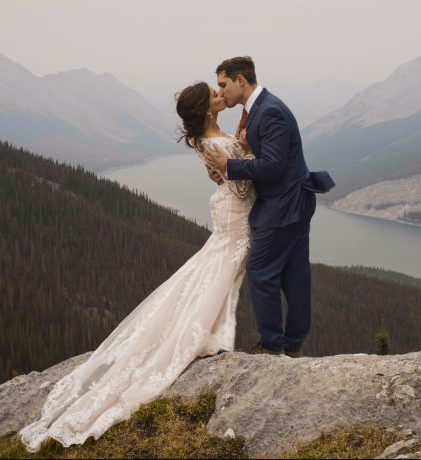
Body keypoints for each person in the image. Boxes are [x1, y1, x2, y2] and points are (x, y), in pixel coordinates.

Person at [18, 81, 256, 452]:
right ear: (207, 110)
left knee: (209, 274)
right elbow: (241, 189)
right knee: (218, 273)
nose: (219, 95)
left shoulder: (212, 138)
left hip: (230, 212)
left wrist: (239, 152)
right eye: (213, 94)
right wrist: (250, 158)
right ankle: (198, 337)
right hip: (235, 214)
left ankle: (204, 334)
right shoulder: (211, 143)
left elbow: (229, 174)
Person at [202, 55, 334, 358]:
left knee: (260, 270)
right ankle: (294, 344)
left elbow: (273, 167)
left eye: (223, 85)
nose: (221, 93)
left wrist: (229, 164)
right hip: (294, 202)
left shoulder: (269, 111)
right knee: (294, 274)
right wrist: (231, 165)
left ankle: (273, 345)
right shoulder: (261, 108)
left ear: (240, 80)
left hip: (283, 205)